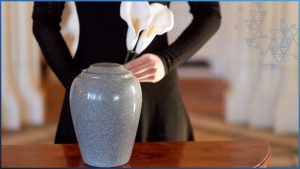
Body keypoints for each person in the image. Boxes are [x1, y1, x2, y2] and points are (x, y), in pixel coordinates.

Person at [32, 2, 221, 143]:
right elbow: (44, 19)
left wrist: (168, 60)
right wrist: (76, 83)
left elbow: (209, 13)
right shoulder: (84, 89)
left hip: (155, 100)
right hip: (89, 94)